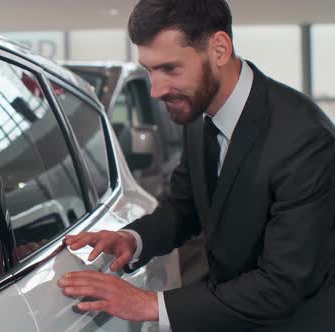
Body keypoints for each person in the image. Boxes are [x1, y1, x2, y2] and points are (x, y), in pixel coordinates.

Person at [57, 1, 335, 331]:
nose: (156, 91)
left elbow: (282, 284)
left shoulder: (305, 139)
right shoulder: (199, 113)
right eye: (149, 70)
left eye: (170, 69)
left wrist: (149, 303)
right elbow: (184, 207)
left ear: (219, 49)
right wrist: (133, 239)